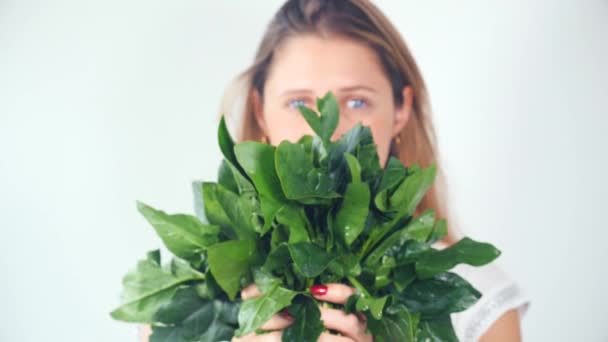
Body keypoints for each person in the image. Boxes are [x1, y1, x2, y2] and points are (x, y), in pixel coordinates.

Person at [139, 0, 529, 341]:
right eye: (298, 104)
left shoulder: (477, 302)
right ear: (261, 111)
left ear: (400, 110)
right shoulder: (186, 298)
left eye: (357, 102)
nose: (326, 133)